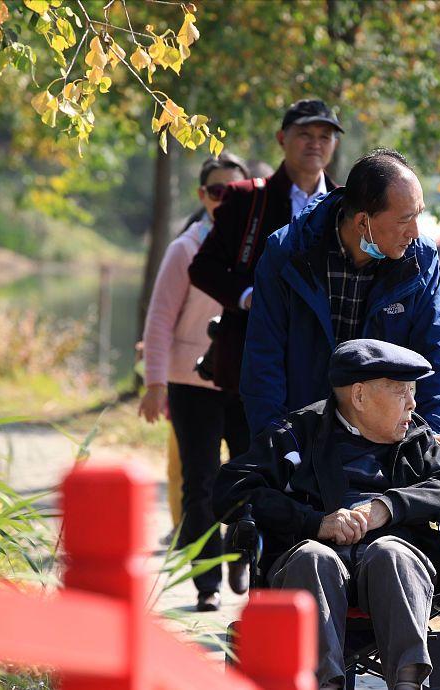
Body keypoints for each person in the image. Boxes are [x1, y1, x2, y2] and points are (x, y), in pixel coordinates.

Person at [213, 339, 440, 690]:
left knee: (390, 553)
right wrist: (313, 522)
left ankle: (409, 683)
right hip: (310, 564)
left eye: (412, 392)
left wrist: (387, 508)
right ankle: (324, 684)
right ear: (360, 396)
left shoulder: (416, 440)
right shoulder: (295, 435)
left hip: (391, 564)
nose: (413, 404)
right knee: (313, 556)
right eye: (401, 393)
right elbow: (230, 489)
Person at [242, 148, 440, 458]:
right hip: (302, 433)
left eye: (418, 214)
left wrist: (436, 431)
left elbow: (437, 354)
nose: (415, 231)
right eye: (404, 219)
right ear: (362, 223)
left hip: (384, 433)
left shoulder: (420, 259)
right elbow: (263, 359)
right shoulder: (287, 253)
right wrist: (277, 444)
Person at [138, 152, 250, 612]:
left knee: (249, 477)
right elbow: (160, 320)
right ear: (203, 196)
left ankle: (243, 554)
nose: (225, 200)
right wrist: (155, 383)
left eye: (235, 192)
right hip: (191, 385)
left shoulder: (260, 246)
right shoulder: (185, 249)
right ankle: (207, 583)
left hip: (244, 383)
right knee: (199, 483)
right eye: (216, 191)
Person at [187, 99, 343, 398]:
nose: (316, 144)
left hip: (320, 368)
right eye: (305, 134)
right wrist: (249, 297)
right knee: (249, 446)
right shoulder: (246, 199)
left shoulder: (344, 205)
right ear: (282, 138)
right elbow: (203, 269)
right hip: (251, 361)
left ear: (334, 144)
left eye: (325, 136)